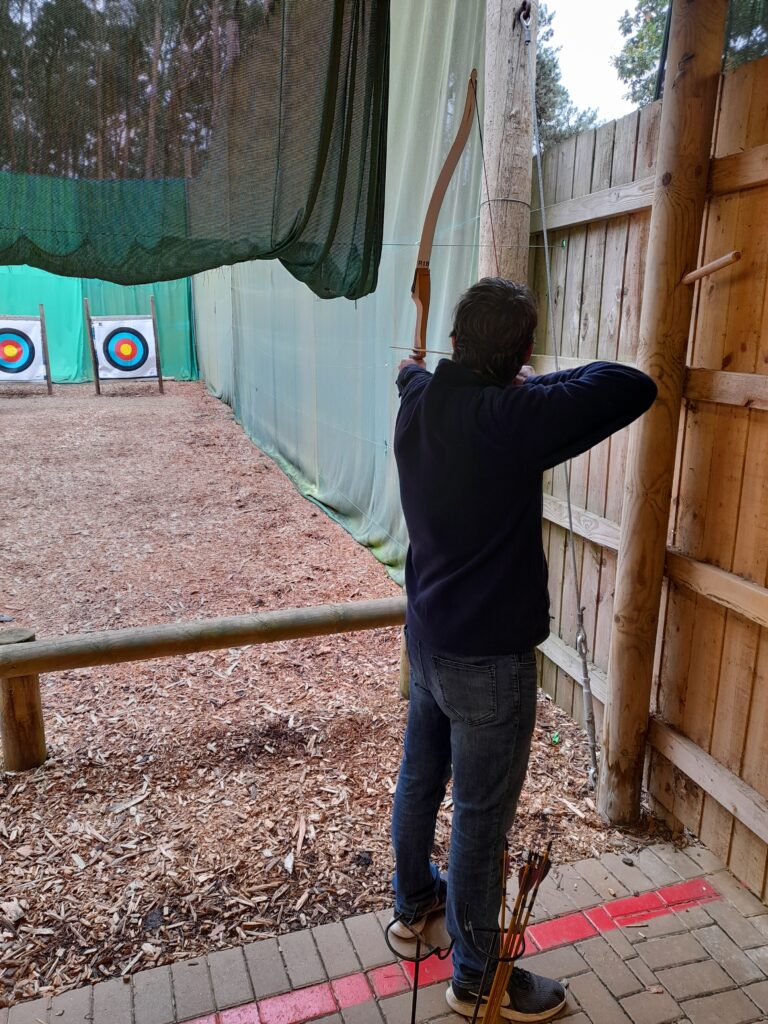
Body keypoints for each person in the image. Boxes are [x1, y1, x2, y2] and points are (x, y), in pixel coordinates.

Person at [390, 277, 657, 1021]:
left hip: (430, 639)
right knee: (480, 822)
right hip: (487, 662)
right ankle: (478, 981)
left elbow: (409, 370)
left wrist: (493, 376)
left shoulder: (417, 395)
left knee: (420, 774)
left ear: (453, 338)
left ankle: (416, 907)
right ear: (520, 358)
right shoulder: (510, 416)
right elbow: (630, 385)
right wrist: (535, 384)